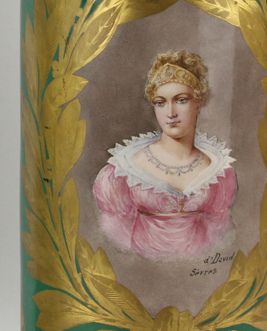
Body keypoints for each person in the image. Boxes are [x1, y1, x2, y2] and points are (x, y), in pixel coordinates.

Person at [92, 51, 236, 261]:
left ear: (198, 101)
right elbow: (115, 243)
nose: (170, 113)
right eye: (160, 102)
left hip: (200, 267)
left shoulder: (218, 172)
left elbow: (220, 237)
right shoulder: (122, 172)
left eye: (181, 100)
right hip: (140, 271)